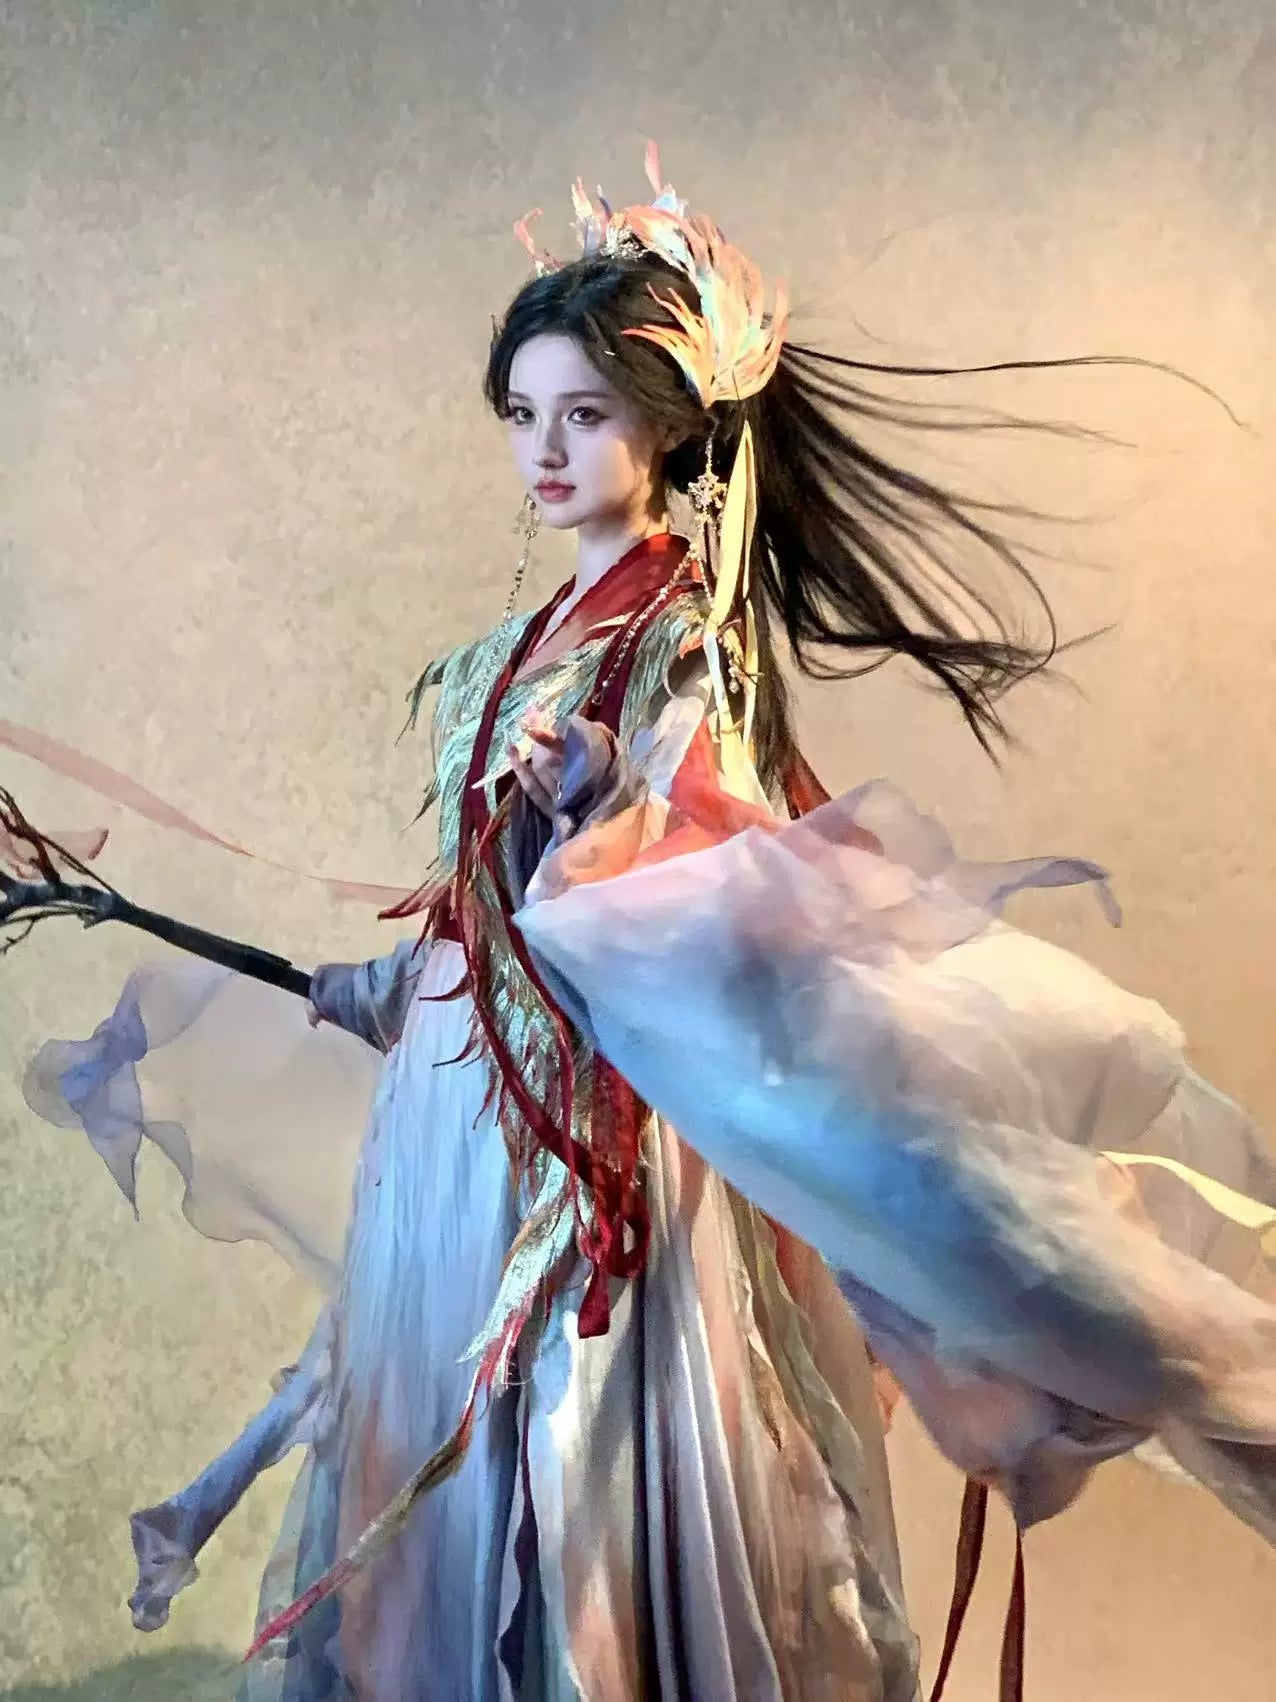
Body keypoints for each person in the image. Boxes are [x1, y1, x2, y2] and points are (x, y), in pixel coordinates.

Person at [9, 148, 1276, 1702]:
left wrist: (614, 800)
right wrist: (386, 979)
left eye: (584, 416)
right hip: (462, 1123)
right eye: (523, 416)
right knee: (440, 1440)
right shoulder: (518, 641)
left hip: (597, 1139)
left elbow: (732, 864)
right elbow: (482, 900)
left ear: (666, 429)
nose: (545, 451)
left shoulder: (683, 636)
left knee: (589, 1449)